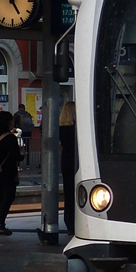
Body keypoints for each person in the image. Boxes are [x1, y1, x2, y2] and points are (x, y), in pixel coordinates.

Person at [0, 111, 19, 235]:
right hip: (7, 172)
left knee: (0, 197)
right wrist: (22, 155)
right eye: (12, 120)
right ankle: (1, 224)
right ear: (8, 121)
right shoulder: (10, 137)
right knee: (8, 197)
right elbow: (15, 155)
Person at [59, 101, 77, 236]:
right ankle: (75, 222)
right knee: (76, 194)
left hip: (65, 161)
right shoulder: (76, 129)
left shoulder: (61, 129)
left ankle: (69, 222)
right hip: (76, 162)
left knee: (68, 194)